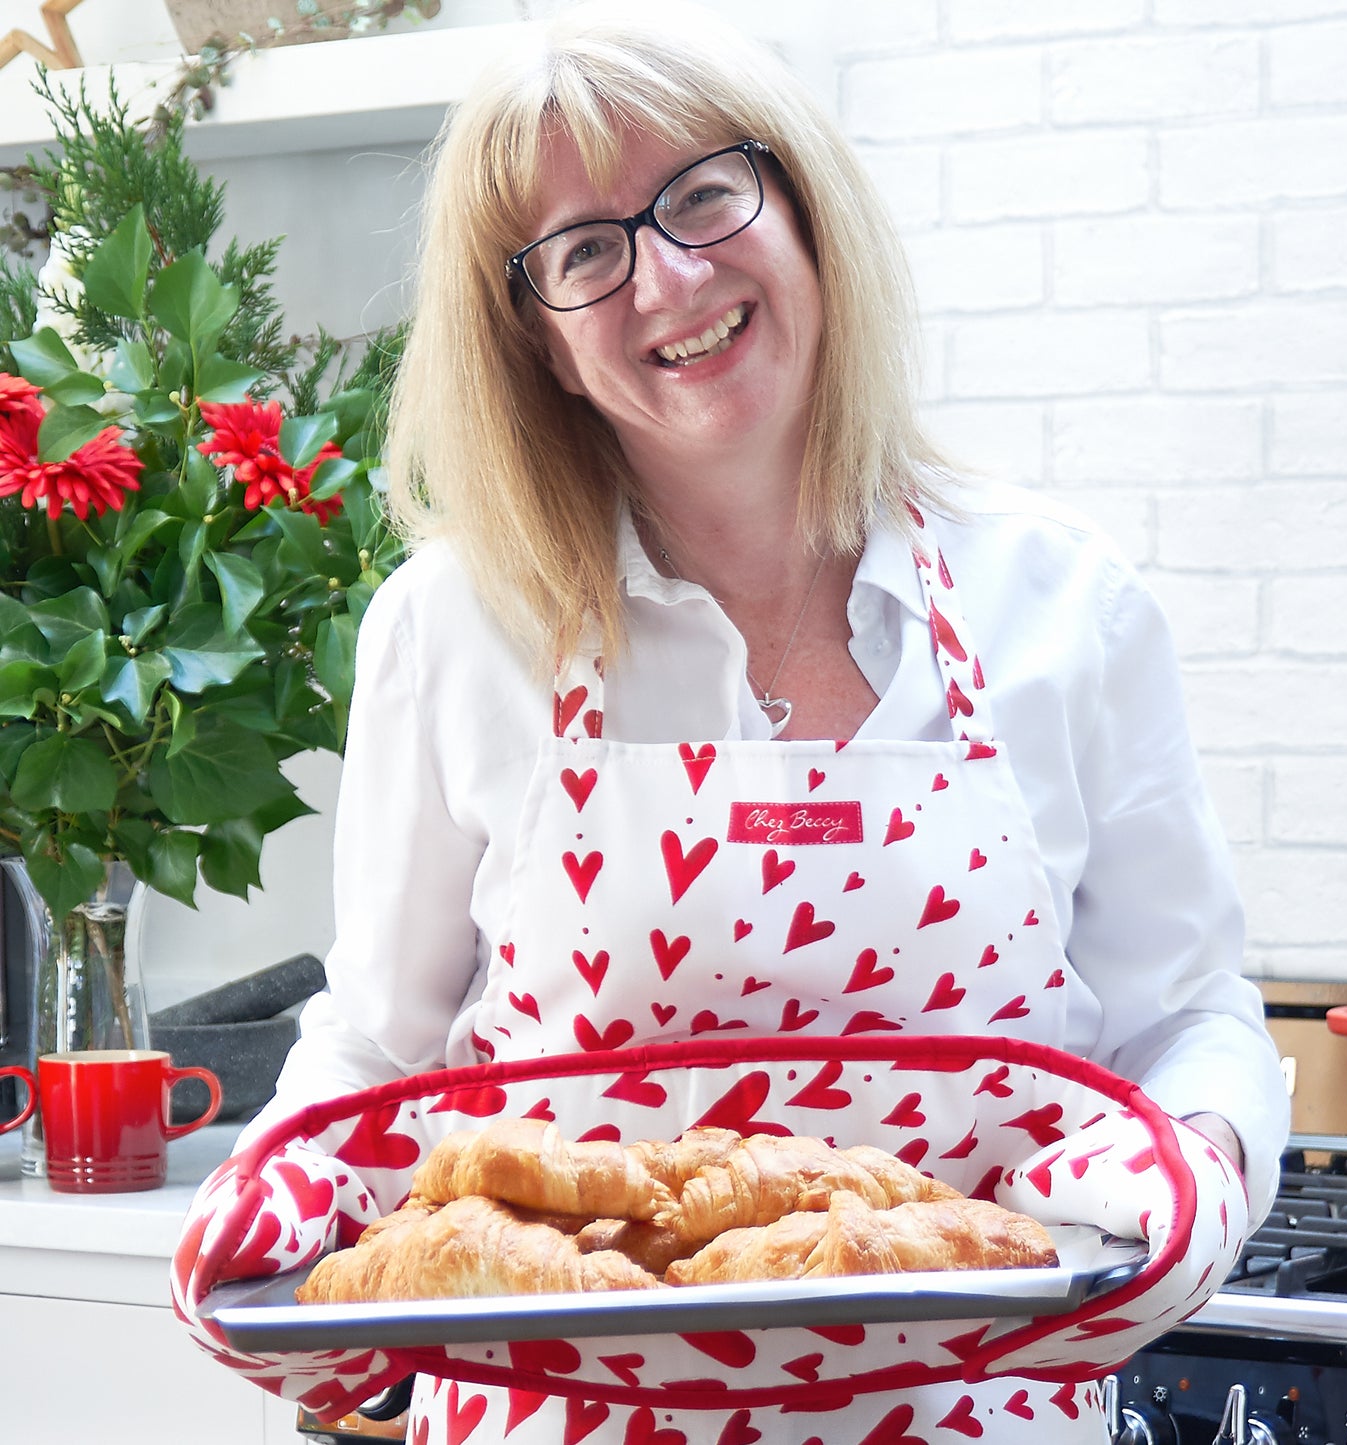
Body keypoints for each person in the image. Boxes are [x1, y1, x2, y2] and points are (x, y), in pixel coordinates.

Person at [219, 3, 1289, 1439]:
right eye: (584, 251)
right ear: (536, 340)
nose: (665, 279)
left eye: (703, 195)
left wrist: (1202, 1151)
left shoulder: (1060, 598)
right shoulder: (456, 625)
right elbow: (379, 1046)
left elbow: (1187, 1013)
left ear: (803, 211)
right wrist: (281, 1190)